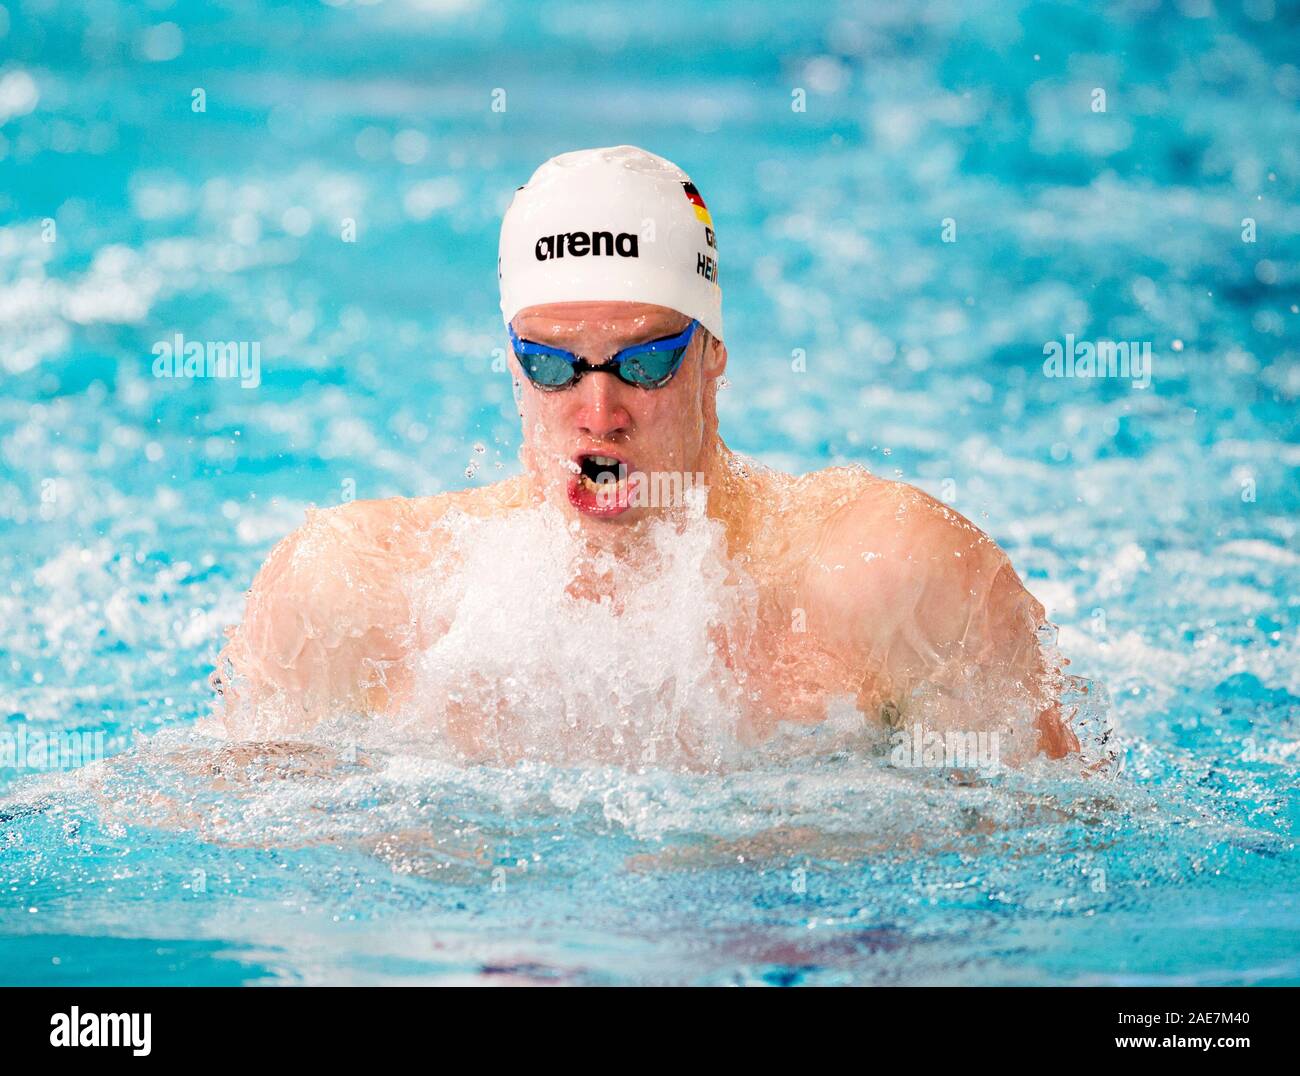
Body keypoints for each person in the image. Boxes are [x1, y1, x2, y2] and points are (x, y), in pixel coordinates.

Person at [210, 145, 1080, 766]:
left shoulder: (890, 577)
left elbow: (1061, 858)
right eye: (552, 364)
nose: (599, 413)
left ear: (713, 357)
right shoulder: (353, 593)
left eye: (646, 361)